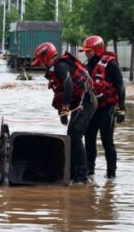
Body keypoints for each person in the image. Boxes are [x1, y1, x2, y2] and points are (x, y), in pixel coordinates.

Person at [32, 42, 98, 184]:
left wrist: (65, 107)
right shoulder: (58, 66)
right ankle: (74, 174)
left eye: (41, 62)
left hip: (86, 102)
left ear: (45, 58)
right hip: (82, 102)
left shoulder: (60, 66)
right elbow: (65, 90)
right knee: (72, 136)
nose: (41, 65)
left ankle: (82, 177)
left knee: (75, 137)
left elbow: (69, 85)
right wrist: (63, 112)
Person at [80, 35, 126, 178]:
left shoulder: (111, 64)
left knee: (107, 141)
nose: (87, 53)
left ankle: (111, 174)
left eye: (89, 50)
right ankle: (89, 170)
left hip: (107, 108)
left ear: (98, 49)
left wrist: (122, 108)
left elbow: (120, 86)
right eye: (86, 51)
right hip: (91, 109)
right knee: (89, 139)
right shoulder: (87, 65)